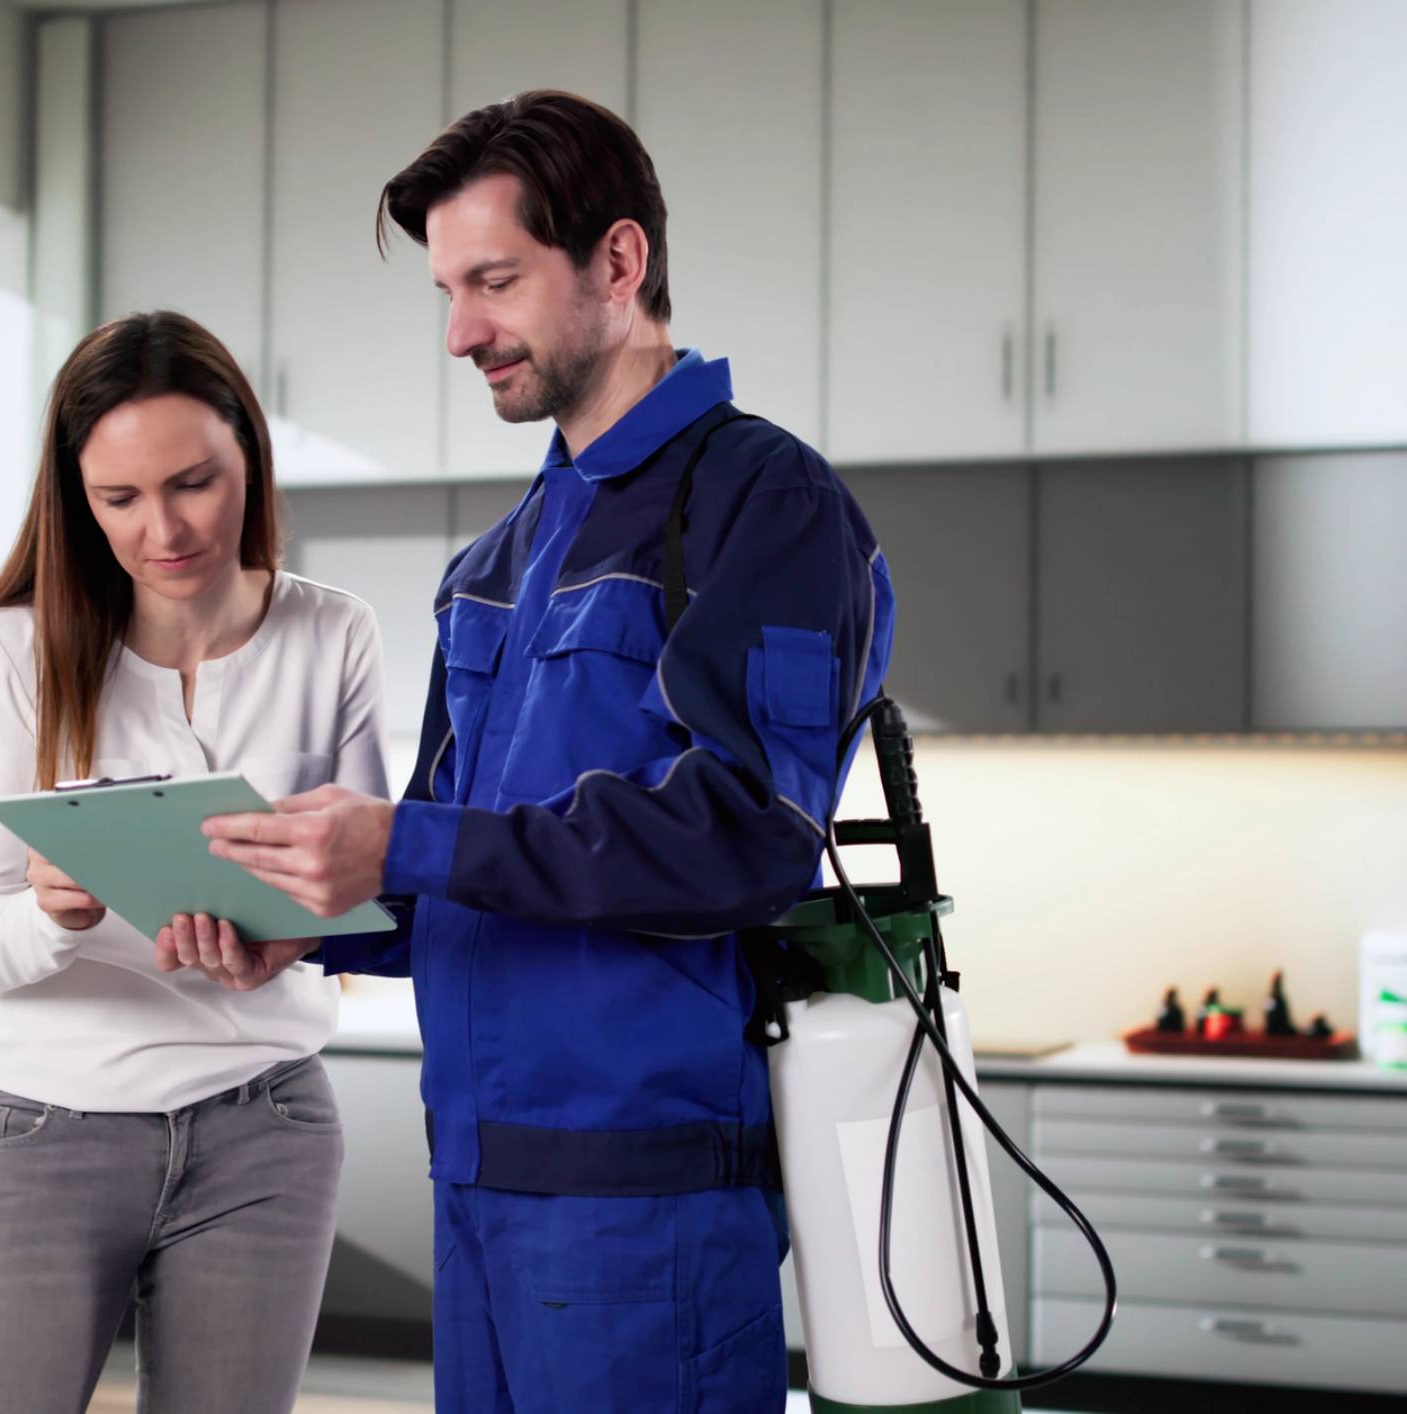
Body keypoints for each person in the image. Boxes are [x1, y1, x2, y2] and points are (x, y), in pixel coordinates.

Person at [171, 91, 897, 1412]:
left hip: (642, 1202)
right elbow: (473, 866)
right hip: (478, 1183)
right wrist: (309, 922)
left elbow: (744, 838)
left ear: (618, 263)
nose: (460, 332)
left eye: (493, 282)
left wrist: (399, 839)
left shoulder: (763, 505)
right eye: (449, 290)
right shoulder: (493, 563)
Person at [0, 311, 388, 1413]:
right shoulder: (15, 651)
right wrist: (51, 914)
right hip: (41, 1124)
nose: (161, 528)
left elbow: (365, 880)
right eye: (117, 499)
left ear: (250, 466)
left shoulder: (335, 633)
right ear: (76, 498)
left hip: (266, 1130)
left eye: (193, 483)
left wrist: (295, 934)